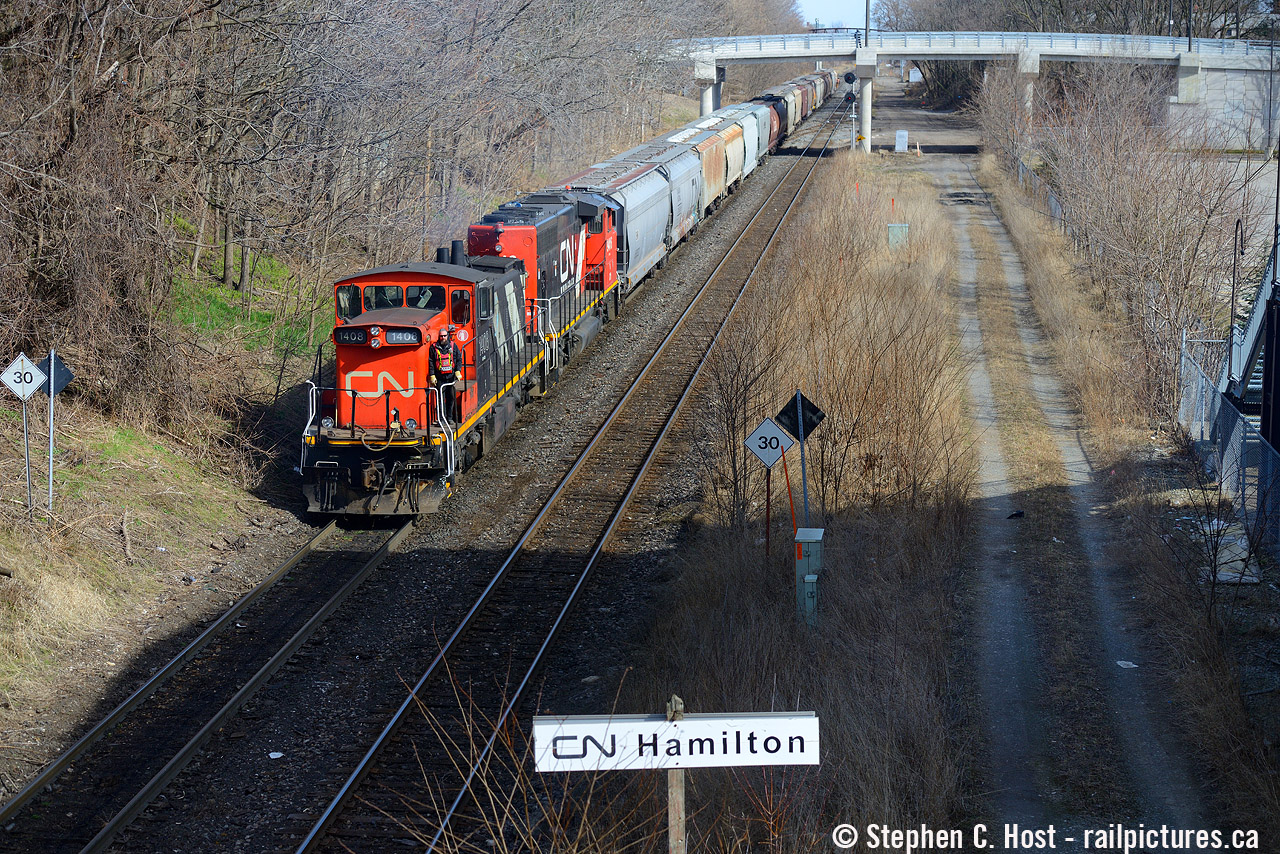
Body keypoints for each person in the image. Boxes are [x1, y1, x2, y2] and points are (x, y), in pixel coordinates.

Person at [429, 325, 464, 425]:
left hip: (450, 377)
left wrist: (458, 371)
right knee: (440, 399)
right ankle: (441, 419)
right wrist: (432, 375)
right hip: (439, 378)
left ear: (447, 336)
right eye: (441, 336)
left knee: (451, 397)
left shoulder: (453, 346)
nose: (443, 338)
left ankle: (449, 418)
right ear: (438, 337)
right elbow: (431, 361)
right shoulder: (433, 348)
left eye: (444, 336)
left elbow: (458, 359)